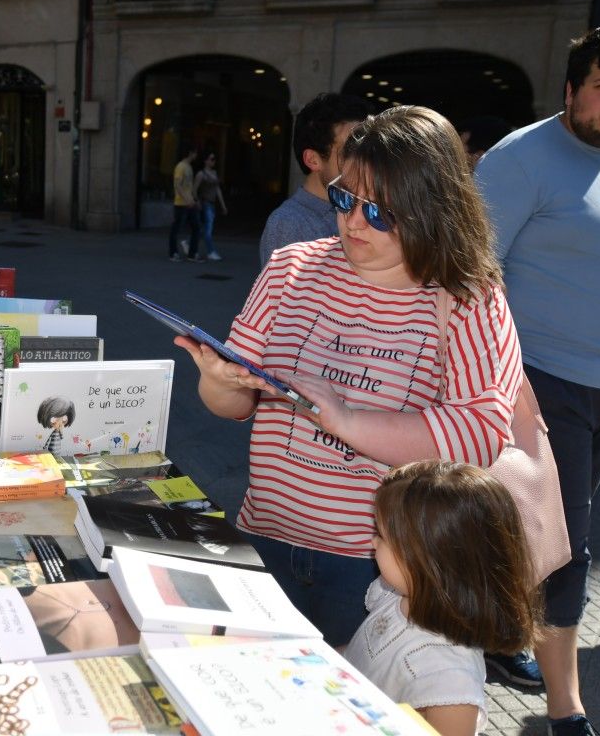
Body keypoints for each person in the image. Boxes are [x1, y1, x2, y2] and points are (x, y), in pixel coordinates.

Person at [175, 105, 522, 648]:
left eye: (381, 212)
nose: (354, 222)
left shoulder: (466, 295)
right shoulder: (292, 266)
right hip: (264, 533)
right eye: (344, 199)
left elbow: (479, 434)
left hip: (380, 566)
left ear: (434, 209)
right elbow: (234, 406)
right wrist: (220, 379)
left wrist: (347, 420)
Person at [474, 21, 600, 736]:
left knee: (537, 533)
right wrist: (497, 382)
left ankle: (496, 637)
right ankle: (567, 713)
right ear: (570, 90)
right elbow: (471, 274)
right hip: (539, 378)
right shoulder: (519, 159)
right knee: (568, 545)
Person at [345, 459, 541, 736]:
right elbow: (362, 654)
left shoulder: (450, 679)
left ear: (428, 561)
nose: (372, 542)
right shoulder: (394, 595)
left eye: (382, 536)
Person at [260, 92, 369, 267]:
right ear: (313, 159)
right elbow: (283, 293)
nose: (363, 160)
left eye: (366, 149)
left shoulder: (366, 210)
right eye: (350, 151)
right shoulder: (288, 223)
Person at [192, 152, 228, 261]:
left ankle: (189, 243)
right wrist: (197, 201)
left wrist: (223, 205)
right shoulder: (201, 174)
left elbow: (217, 190)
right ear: (205, 161)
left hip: (211, 203)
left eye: (214, 159)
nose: (213, 161)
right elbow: (194, 189)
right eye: (211, 159)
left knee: (204, 228)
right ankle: (210, 251)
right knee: (208, 228)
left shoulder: (214, 173)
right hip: (205, 203)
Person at [168, 145, 201, 262]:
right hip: (181, 204)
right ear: (190, 152)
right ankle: (173, 253)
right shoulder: (180, 167)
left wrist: (194, 200)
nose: (196, 155)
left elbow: (189, 187)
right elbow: (177, 185)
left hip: (189, 203)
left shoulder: (189, 167)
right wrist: (187, 200)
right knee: (176, 229)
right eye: (195, 152)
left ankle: (192, 254)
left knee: (196, 227)